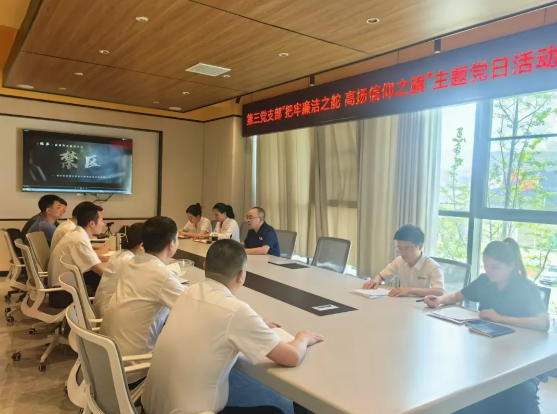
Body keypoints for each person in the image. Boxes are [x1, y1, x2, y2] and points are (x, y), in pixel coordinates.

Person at [142, 239, 324, 414]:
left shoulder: (190, 291)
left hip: (148, 407)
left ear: (205, 266)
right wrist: (303, 337)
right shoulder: (236, 311)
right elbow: (291, 357)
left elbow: (216, 319)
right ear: (241, 275)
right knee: (274, 411)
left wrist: (254, 324)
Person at [424, 238, 549, 414]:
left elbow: (543, 322)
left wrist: (501, 318)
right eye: (486, 266)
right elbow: (457, 296)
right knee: (456, 385)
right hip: (486, 350)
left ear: (511, 266)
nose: (489, 271)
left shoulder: (526, 288)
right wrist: (438, 301)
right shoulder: (485, 281)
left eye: (495, 267)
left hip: (517, 355)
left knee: (518, 394)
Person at [100, 216, 185, 384]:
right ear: (171, 244)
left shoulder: (132, 263)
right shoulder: (161, 275)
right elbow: (194, 309)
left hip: (107, 360)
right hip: (134, 369)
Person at [48, 202, 107, 308]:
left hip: (63, 290)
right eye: (102, 220)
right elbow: (100, 270)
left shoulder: (77, 234)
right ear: (92, 223)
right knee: (111, 283)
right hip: (64, 295)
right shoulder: (79, 239)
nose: (103, 224)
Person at [362, 224, 444, 297]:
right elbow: (381, 276)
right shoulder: (399, 261)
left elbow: (439, 291)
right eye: (400, 248)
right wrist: (375, 280)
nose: (402, 253)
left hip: (423, 305)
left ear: (420, 246)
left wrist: (410, 290)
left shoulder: (433, 266)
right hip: (403, 303)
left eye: (407, 248)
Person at [93, 223, 144, 318]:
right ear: (142, 245)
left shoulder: (118, 254)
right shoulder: (130, 261)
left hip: (101, 308)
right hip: (109, 315)